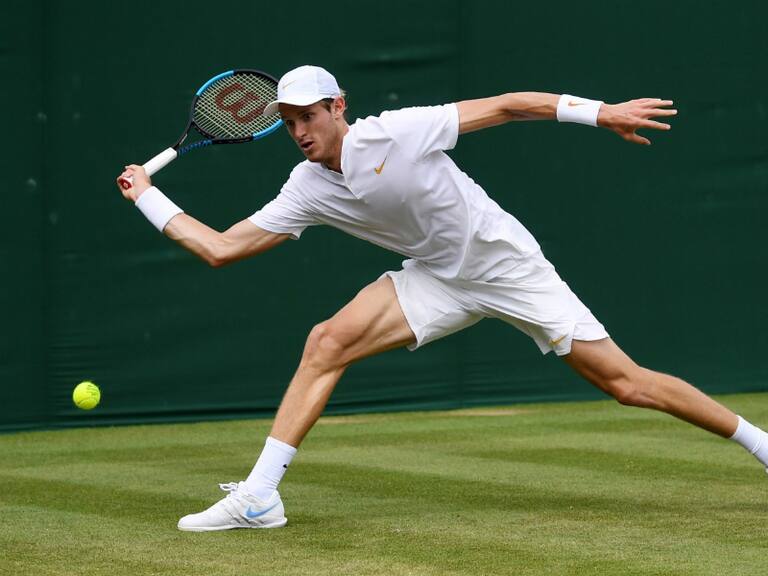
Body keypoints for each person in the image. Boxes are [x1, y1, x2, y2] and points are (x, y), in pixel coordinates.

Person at [117, 65, 768, 532]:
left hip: (505, 265)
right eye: (289, 122)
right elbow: (221, 248)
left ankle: (760, 444)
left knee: (626, 384)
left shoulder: (397, 132)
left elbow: (509, 105)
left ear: (338, 107)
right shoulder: (306, 187)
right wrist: (147, 194)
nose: (300, 130)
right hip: (436, 277)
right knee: (327, 341)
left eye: (309, 115)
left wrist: (601, 112)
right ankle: (261, 496)